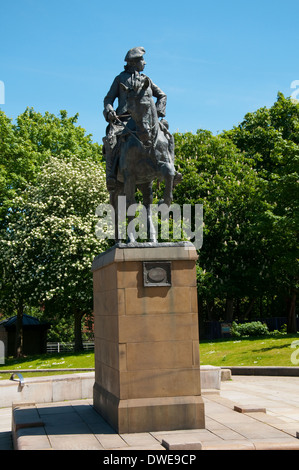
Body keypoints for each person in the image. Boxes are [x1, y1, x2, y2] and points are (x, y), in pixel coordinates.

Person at [103, 47, 173, 191]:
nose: (144, 63)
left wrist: (158, 111)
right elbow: (109, 98)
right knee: (111, 140)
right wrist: (109, 109)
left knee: (168, 136)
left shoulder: (146, 80)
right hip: (123, 119)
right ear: (134, 63)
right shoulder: (120, 79)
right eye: (142, 60)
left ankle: (172, 168)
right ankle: (111, 175)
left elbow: (162, 95)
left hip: (146, 119)